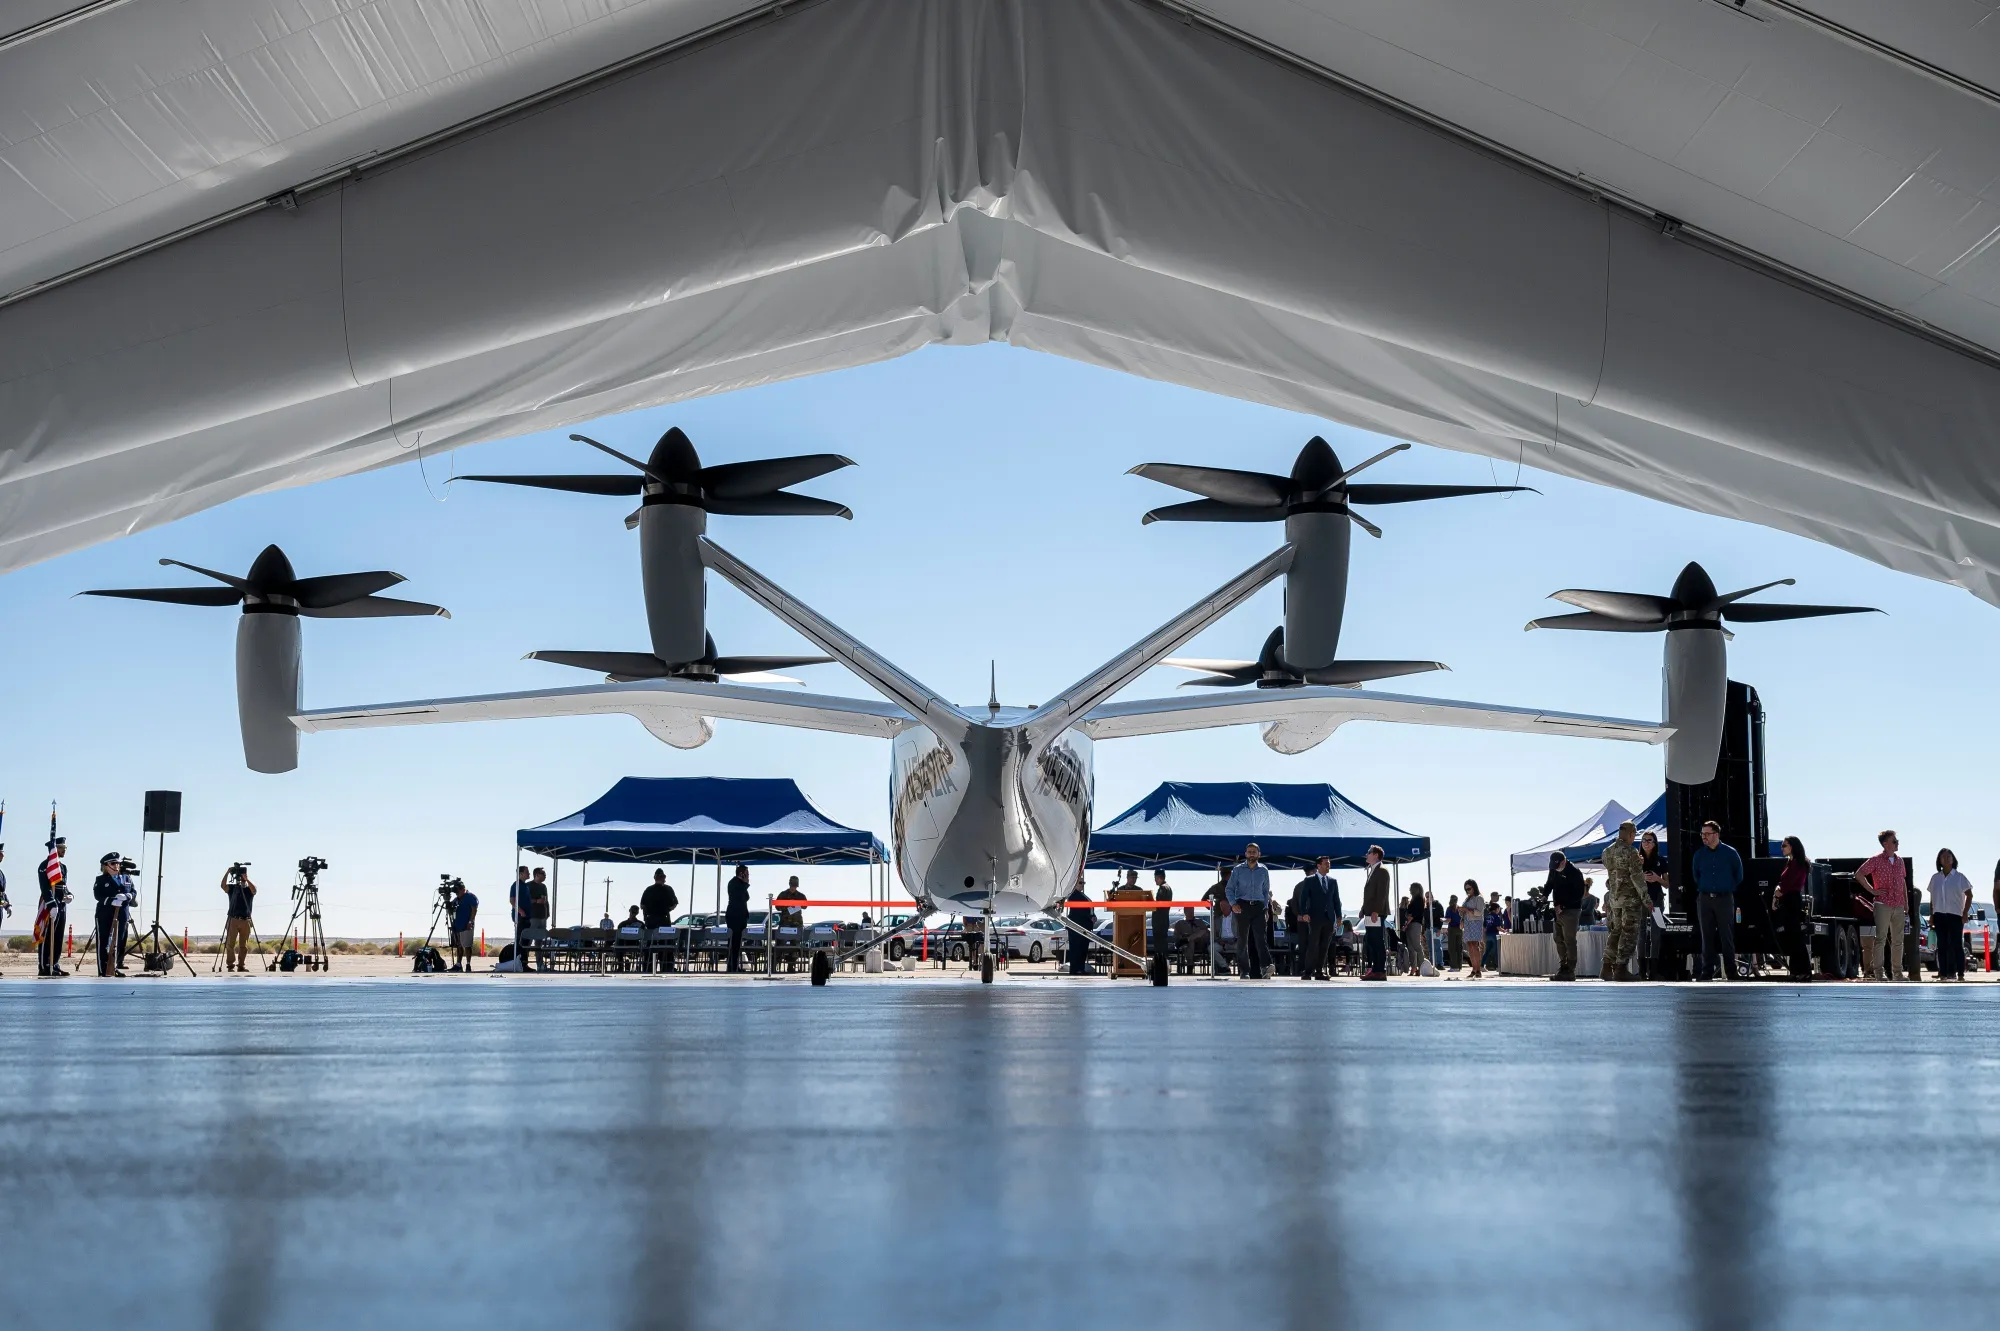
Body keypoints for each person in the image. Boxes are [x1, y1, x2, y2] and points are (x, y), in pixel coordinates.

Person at [1690, 821, 1745, 981]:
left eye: (1707, 834)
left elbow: (1739, 875)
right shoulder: (1699, 854)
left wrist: (1726, 887)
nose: (1704, 837)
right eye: (1702, 834)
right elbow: (1696, 876)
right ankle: (1706, 972)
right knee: (1706, 936)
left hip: (1724, 898)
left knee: (1726, 936)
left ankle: (1731, 972)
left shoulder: (1730, 853)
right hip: (1705, 899)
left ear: (1716, 834)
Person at [1854, 830, 1909, 982]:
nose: (1897, 843)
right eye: (1894, 841)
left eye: (1897, 840)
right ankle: (1879, 973)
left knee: (1898, 940)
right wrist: (1872, 890)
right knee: (1881, 939)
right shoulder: (1876, 860)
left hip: (1898, 904)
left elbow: (1903, 882)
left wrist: (1906, 902)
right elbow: (1859, 874)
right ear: (1885, 844)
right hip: (1882, 903)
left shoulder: (1900, 861)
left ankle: (1898, 973)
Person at [1600, 821, 1647, 982]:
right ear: (1631, 834)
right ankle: (1621, 968)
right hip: (1630, 900)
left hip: (1614, 899)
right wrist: (1646, 898)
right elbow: (1637, 877)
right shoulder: (1631, 851)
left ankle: (1607, 967)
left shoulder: (1607, 851)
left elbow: (1615, 871)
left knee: (1616, 932)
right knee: (1629, 933)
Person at [1225, 843, 1272, 979]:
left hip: (1259, 907)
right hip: (1242, 907)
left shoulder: (1263, 870)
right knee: (1242, 940)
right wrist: (1233, 904)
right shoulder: (1238, 870)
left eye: (1254, 852)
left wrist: (1266, 908)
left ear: (1259, 854)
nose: (1251, 854)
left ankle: (1265, 967)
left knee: (1260, 938)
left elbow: (1265, 891)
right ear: (1245, 854)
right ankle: (1244, 971)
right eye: (1249, 852)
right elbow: (1229, 889)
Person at [1772, 836, 1813, 980]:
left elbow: (1788, 883)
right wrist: (1777, 892)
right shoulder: (1790, 862)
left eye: (1785, 845)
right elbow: (1782, 883)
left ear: (1793, 846)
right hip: (1787, 899)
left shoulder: (1798, 863)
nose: (1782, 848)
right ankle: (1796, 971)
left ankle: (1804, 971)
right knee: (1791, 937)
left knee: (1796, 937)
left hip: (1792, 899)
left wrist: (1779, 892)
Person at [1930, 849, 1973, 982]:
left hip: (1955, 915)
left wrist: (1965, 913)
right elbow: (1932, 898)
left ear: (1953, 859)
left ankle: (1960, 974)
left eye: (1949, 856)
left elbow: (1969, 895)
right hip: (1939, 915)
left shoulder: (1960, 877)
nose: (1946, 858)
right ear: (1939, 860)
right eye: (1943, 856)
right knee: (1941, 945)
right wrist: (1932, 915)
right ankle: (1943, 974)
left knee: (1957, 945)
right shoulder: (1935, 878)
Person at [1542, 852, 1585, 980]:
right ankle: (1563, 966)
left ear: (1563, 861)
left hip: (1571, 910)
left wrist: (1564, 906)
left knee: (1569, 939)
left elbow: (1579, 894)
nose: (1555, 869)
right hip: (1557, 910)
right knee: (1558, 938)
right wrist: (1544, 895)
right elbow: (1549, 883)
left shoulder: (1575, 872)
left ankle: (1570, 969)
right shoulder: (1554, 870)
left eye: (1558, 866)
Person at [1295, 856, 1338, 981]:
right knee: (1313, 945)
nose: (1328, 866)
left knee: (1324, 946)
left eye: (1329, 863)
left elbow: (1336, 900)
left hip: (1329, 918)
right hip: (1314, 917)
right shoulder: (1309, 880)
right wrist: (1304, 913)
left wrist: (1339, 916)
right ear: (1318, 866)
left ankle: (1319, 971)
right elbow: (1303, 898)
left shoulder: (1332, 881)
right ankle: (1308, 972)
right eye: (1325, 863)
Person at [92, 852, 133, 977]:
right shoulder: (101, 880)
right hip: (105, 913)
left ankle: (113, 967)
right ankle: (103, 969)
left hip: (122, 913)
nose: (116, 866)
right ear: (106, 866)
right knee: (104, 942)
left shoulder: (126, 878)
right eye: (113, 863)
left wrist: (128, 896)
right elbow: (98, 895)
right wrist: (111, 900)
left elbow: (133, 891)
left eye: (118, 863)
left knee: (118, 941)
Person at [36, 836, 71, 978]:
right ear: (53, 849)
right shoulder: (45, 865)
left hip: (61, 903)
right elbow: (45, 887)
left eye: (64, 848)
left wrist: (69, 895)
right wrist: (51, 904)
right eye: (61, 848)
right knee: (46, 936)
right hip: (50, 903)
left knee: (58, 936)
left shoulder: (63, 867)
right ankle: (44, 966)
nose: (64, 850)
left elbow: (64, 886)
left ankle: (54, 964)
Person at [1639, 830, 1668, 980]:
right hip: (1640, 900)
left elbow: (1668, 884)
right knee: (1641, 933)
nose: (1646, 843)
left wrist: (1657, 878)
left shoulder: (1661, 860)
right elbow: (1628, 880)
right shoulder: (1636, 859)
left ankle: (1654, 970)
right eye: (1644, 840)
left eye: (1649, 840)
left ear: (1655, 843)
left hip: (1656, 900)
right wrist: (1641, 877)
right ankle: (1642, 970)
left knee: (1656, 933)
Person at [1360, 846, 1391, 981]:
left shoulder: (1382, 871)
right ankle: (1375, 969)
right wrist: (1363, 909)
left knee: (1377, 940)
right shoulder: (1373, 870)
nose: (1367, 855)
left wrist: (1376, 911)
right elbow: (1370, 894)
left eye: (1369, 853)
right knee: (1371, 940)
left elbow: (1381, 893)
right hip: (1369, 912)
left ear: (1376, 855)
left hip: (1376, 912)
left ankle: (1380, 970)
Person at [640, 868, 679, 973]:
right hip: (663, 920)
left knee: (651, 946)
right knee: (665, 945)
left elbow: (642, 905)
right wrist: (667, 910)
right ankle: (666, 967)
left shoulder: (648, 890)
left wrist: (647, 916)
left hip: (652, 921)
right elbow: (674, 904)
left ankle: (649, 968)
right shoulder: (668, 889)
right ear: (663, 878)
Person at [221, 863, 258, 973]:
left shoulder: (248, 889)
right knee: (230, 944)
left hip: (245, 920)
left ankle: (241, 965)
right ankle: (230, 965)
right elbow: (223, 886)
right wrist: (228, 872)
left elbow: (254, 890)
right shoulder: (233, 888)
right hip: (233, 918)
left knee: (243, 946)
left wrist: (247, 879)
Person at [508, 866, 537, 972]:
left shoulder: (525, 886)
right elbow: (512, 900)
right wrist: (521, 911)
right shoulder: (516, 885)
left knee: (526, 941)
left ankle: (524, 963)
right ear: (520, 874)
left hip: (527, 917)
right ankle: (518, 963)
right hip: (521, 917)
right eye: (527, 872)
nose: (529, 874)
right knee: (520, 940)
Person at [724, 865, 751, 972]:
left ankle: (735, 965)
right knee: (734, 942)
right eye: (747, 873)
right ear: (741, 874)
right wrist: (745, 883)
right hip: (734, 916)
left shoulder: (741, 884)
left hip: (741, 916)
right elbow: (738, 895)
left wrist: (745, 884)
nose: (748, 876)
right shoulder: (734, 883)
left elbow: (746, 897)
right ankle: (732, 966)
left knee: (738, 943)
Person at [1066, 878, 1096, 975]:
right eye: (1080, 883)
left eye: (1083, 883)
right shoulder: (1073, 895)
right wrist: (1090, 916)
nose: (1082, 884)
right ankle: (1076, 969)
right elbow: (1079, 911)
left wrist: (1093, 916)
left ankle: (1080, 968)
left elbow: (1088, 908)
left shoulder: (1082, 895)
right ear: (1074, 884)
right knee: (1077, 949)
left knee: (1082, 948)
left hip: (1084, 926)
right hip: (1077, 927)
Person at [449, 878, 478, 972]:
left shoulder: (470, 896)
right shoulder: (457, 899)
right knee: (459, 945)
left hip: (467, 925)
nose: (457, 893)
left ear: (463, 889)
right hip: (458, 925)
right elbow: (451, 907)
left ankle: (468, 964)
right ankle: (458, 964)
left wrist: (470, 921)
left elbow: (474, 909)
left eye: (458, 891)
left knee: (467, 945)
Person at [1462, 882, 1486, 979]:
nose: (1467, 891)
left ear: (1474, 888)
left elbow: (1479, 912)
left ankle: (1478, 969)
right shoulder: (1467, 899)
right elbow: (1465, 912)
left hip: (1476, 923)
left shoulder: (1479, 898)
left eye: (1469, 889)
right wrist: (1461, 911)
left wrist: (1467, 910)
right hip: (1467, 923)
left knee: (1475, 946)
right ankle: (1474, 969)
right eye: (1466, 889)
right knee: (1469, 946)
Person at [1445, 894, 1463, 971]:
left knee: (1452, 948)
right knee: (1459, 948)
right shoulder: (1459, 908)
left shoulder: (1449, 909)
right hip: (1460, 929)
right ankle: (1459, 966)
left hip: (1452, 929)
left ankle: (1454, 966)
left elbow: (1448, 919)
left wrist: (1443, 920)